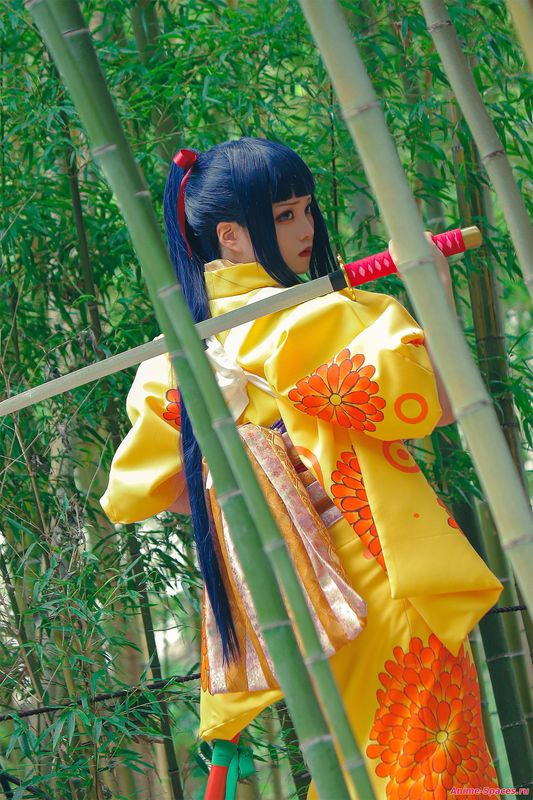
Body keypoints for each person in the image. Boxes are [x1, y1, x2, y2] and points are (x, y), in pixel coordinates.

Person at [100, 137, 502, 800]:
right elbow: (441, 402)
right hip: (376, 571)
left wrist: (262, 497)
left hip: (295, 599)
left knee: (355, 771)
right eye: (284, 215)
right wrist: (431, 287)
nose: (305, 228)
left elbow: (145, 490)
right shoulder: (314, 318)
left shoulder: (171, 359)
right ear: (230, 236)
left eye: (306, 210)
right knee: (423, 766)